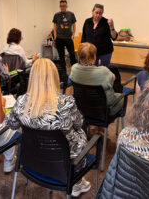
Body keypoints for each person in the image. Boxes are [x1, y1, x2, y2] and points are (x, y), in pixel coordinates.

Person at [5, 58, 90, 197]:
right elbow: (79, 124)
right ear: (54, 77)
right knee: (80, 132)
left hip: (32, 159)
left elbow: (11, 124)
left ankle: (77, 182)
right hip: (65, 163)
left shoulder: (20, 102)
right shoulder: (66, 103)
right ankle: (77, 182)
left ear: (32, 78)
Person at [69, 42, 124, 116]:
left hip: (81, 107)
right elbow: (113, 77)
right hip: (103, 111)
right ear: (94, 57)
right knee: (122, 97)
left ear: (79, 56)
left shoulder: (74, 68)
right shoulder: (103, 71)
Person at [52, 0, 77, 70]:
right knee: (61, 56)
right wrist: (55, 37)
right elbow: (54, 26)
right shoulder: (56, 15)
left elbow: (74, 25)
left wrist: (73, 35)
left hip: (68, 38)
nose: (62, 7)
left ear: (67, 6)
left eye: (64, 6)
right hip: (59, 38)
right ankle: (63, 72)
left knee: (72, 54)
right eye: (61, 6)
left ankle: (74, 69)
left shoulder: (71, 14)